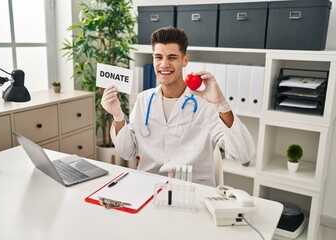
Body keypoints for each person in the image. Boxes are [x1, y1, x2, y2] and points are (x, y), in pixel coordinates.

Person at [101, 26, 254, 187]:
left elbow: (243, 155)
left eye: (172, 57)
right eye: (158, 57)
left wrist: (222, 104)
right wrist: (117, 115)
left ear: (185, 60)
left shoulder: (206, 105)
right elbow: (127, 152)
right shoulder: (143, 100)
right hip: (149, 189)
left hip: (192, 193)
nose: (164, 64)